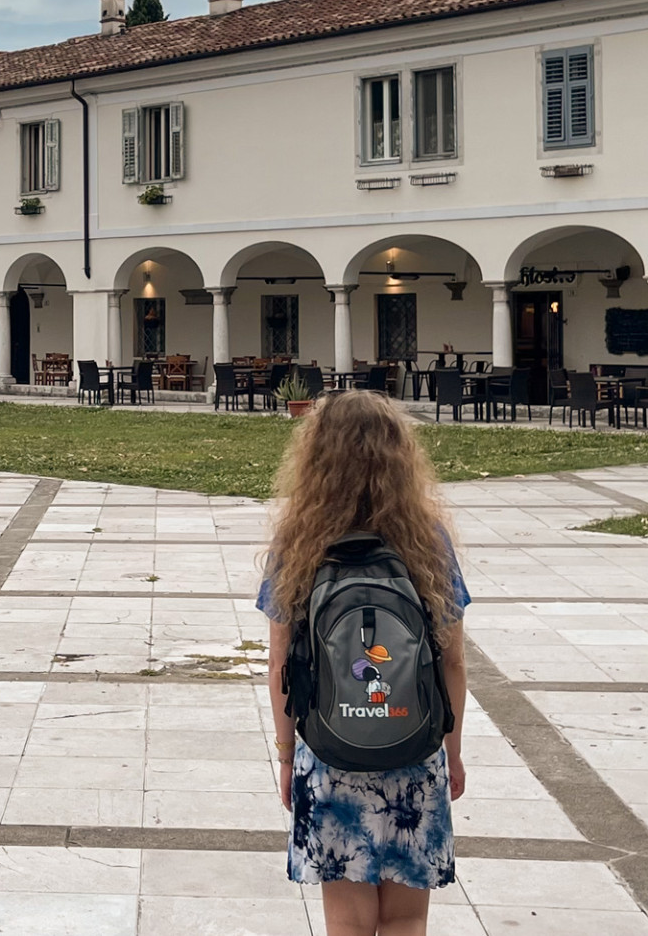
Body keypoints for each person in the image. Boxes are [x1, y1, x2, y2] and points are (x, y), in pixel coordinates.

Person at [258, 390, 470, 936]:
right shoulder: (427, 540)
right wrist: (451, 752)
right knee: (406, 918)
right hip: (414, 751)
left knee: (348, 923)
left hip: (331, 755)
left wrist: (286, 756)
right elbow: (452, 662)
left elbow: (280, 666)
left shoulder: (299, 542)